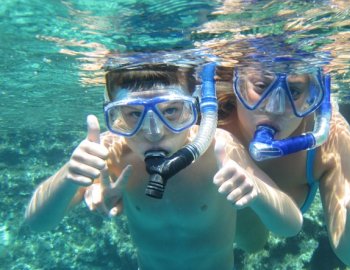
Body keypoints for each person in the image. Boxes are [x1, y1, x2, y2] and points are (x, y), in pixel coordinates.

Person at [24, 58, 303, 270]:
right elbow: (37, 222)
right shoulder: (111, 151)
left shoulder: (218, 147)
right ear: (115, 115)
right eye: (134, 114)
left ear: (193, 109)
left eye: (171, 111)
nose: (155, 131)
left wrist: (256, 190)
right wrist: (69, 177)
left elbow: (290, 225)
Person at [215, 58, 350, 269]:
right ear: (238, 84)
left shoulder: (332, 138)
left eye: (294, 91)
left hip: (272, 218)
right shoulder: (210, 122)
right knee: (253, 244)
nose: (276, 107)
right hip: (244, 226)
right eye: (261, 87)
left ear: (312, 94)